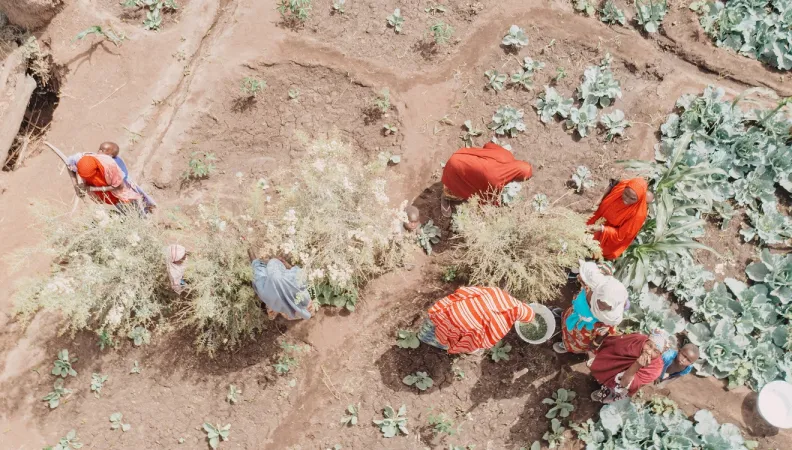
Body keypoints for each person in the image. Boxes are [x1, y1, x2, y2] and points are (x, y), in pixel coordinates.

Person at [417, 286, 534, 354]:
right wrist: (475, 347)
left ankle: (423, 334)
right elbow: (488, 339)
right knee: (449, 338)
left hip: (449, 311)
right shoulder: (502, 323)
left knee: (434, 325)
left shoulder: (496, 292)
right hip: (460, 325)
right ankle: (429, 340)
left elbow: (466, 291)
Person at [553, 260, 628, 360]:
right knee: (566, 320)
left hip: (583, 330)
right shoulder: (595, 286)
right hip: (574, 313)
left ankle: (567, 345)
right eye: (601, 303)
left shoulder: (608, 317)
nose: (602, 307)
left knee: (575, 340)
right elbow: (587, 274)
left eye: (606, 306)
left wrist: (596, 343)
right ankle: (562, 318)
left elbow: (604, 331)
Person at [440, 142, 533, 216]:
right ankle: (446, 197)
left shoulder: (507, 155)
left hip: (463, 156)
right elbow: (486, 197)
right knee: (456, 188)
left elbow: (488, 145)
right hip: (456, 167)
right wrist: (495, 207)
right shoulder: (497, 181)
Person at [589, 330, 667, 404]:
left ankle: (603, 393)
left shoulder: (655, 369)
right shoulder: (636, 340)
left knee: (614, 389)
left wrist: (636, 365)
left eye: (656, 351)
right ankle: (602, 376)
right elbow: (615, 347)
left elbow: (624, 384)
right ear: (646, 341)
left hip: (622, 383)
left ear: (659, 355)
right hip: (614, 368)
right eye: (649, 345)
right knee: (603, 368)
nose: (649, 352)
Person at [586, 178, 654, 260]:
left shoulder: (638, 215)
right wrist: (600, 199)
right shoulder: (622, 186)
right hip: (596, 218)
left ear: (640, 198)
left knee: (588, 248)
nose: (626, 199)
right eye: (626, 194)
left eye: (632, 198)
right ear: (624, 188)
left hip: (607, 235)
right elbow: (612, 185)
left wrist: (602, 228)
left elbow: (621, 236)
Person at [248, 248, 312, 321]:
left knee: (259, 273)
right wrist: (286, 264)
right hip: (299, 310)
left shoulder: (265, 291)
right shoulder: (294, 279)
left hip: (287, 310)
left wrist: (250, 251)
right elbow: (299, 274)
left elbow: (257, 268)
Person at [66, 152, 142, 208]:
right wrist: (76, 186)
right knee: (114, 203)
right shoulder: (79, 159)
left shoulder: (110, 166)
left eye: (90, 176)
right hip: (101, 186)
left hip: (117, 184)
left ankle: (139, 210)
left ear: (97, 169)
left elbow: (119, 186)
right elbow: (69, 164)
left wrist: (93, 188)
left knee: (128, 200)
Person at [98, 141, 157, 212]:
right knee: (124, 201)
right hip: (119, 184)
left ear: (110, 155)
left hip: (124, 184)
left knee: (134, 198)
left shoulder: (113, 162)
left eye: (102, 150)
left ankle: (144, 211)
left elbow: (121, 176)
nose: (99, 151)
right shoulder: (105, 160)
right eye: (99, 149)